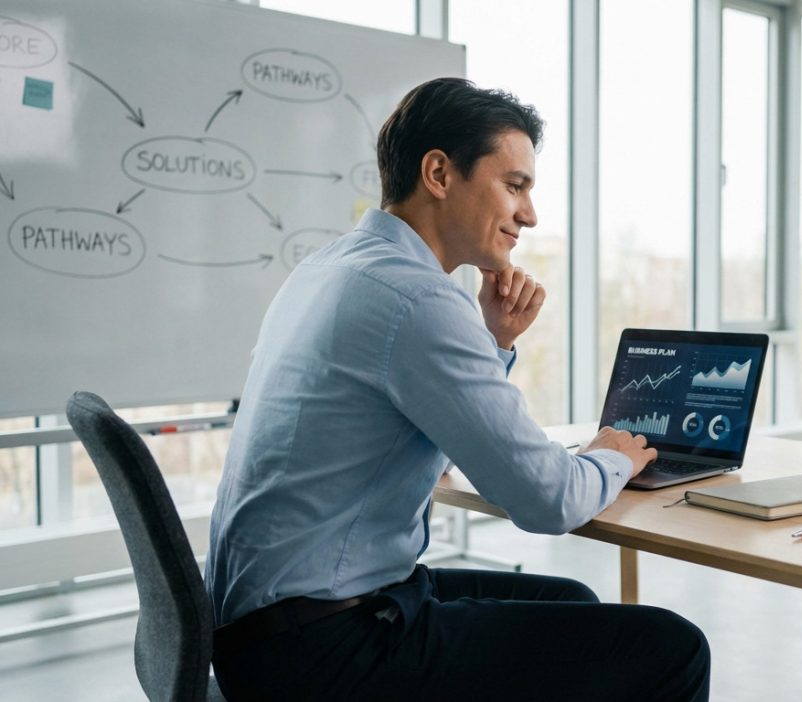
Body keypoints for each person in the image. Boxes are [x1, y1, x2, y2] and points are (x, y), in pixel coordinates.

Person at [206, 78, 711, 701]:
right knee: (671, 649)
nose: (529, 214)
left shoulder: (334, 266)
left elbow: (423, 434)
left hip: (265, 627)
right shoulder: (417, 299)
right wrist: (613, 454)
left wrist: (492, 340)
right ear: (439, 174)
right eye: (515, 185)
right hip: (321, 651)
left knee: (570, 600)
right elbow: (547, 501)